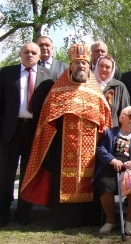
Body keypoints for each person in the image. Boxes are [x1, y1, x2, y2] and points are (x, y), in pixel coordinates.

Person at [20, 43, 112, 229]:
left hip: (91, 151)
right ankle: (64, 220)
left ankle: (90, 218)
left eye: (84, 63)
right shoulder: (57, 91)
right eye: (77, 63)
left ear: (89, 67)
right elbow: (47, 119)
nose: (81, 67)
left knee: (90, 180)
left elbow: (106, 122)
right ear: (70, 66)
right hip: (63, 148)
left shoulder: (96, 94)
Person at [0, 42, 57, 227]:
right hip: (10, 130)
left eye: (34, 52)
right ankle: (3, 211)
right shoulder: (6, 74)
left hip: (34, 130)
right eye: (26, 52)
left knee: (28, 171)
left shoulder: (49, 77)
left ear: (40, 56)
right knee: (6, 172)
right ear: (20, 54)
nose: (30, 55)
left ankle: (24, 212)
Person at [93, 106, 131, 235]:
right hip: (112, 167)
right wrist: (111, 160)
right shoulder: (109, 133)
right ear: (121, 118)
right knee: (105, 184)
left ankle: (130, 221)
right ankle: (110, 220)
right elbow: (101, 149)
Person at [94, 55, 130, 127]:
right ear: (97, 67)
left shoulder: (119, 86)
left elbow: (125, 113)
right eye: (101, 66)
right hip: (91, 131)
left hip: (111, 133)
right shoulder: (89, 84)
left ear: (112, 69)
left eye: (107, 67)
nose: (104, 69)